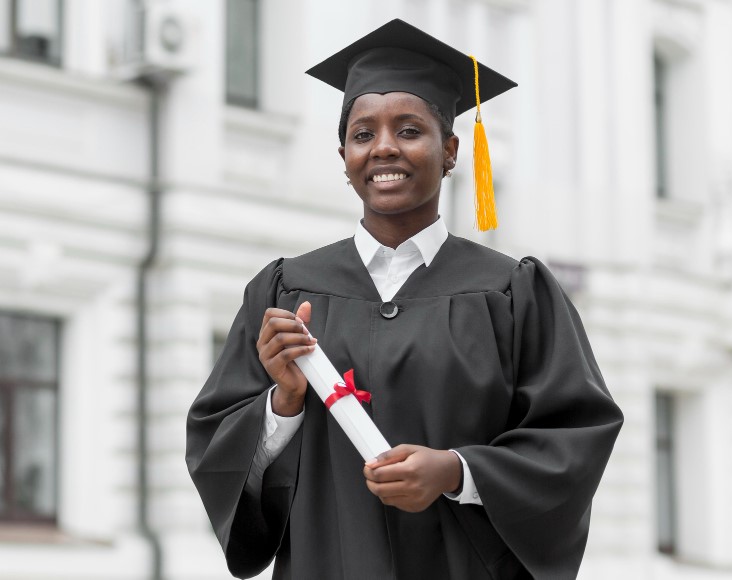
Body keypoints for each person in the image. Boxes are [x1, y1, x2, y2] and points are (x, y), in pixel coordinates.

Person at [186, 19, 623, 580]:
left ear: (450, 151)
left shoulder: (513, 293)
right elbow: (215, 450)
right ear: (343, 156)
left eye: (410, 129)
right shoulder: (283, 291)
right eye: (363, 134)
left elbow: (573, 439)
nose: (384, 147)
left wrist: (458, 472)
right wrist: (283, 404)